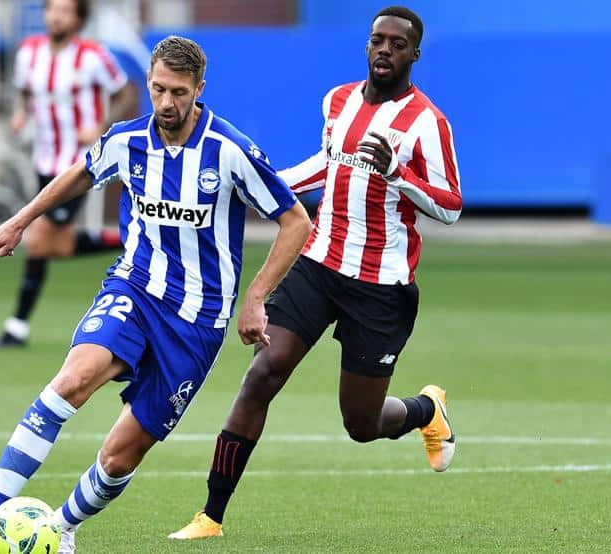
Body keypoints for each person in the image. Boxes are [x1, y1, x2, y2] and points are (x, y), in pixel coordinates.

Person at [0, 35, 312, 554]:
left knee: (121, 456)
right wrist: (20, 220)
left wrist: (257, 296)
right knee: (71, 381)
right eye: (157, 89)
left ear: (199, 89)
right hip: (135, 289)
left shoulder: (230, 151)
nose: (166, 103)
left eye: (177, 91)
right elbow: (80, 174)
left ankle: (60, 528)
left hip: (197, 322)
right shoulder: (127, 141)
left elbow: (295, 222)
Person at [169, 5, 463, 540]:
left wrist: (398, 174)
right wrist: (262, 186)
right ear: (367, 45)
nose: (385, 50)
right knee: (262, 373)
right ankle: (210, 516)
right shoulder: (339, 100)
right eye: (378, 40)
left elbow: (450, 205)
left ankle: (426, 409)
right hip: (317, 263)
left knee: (360, 423)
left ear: (414, 54)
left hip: (379, 285)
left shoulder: (427, 122)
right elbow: (328, 162)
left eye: (398, 44)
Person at [0, 0, 139, 348]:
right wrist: (20, 114)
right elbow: (25, 91)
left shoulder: (93, 56)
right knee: (51, 243)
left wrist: (100, 125)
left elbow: (124, 93)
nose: (55, 16)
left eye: (64, 11)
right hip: (44, 160)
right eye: (51, 9)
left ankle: (16, 327)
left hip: (78, 165)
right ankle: (132, 238)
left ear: (79, 19)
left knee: (39, 241)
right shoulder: (29, 52)